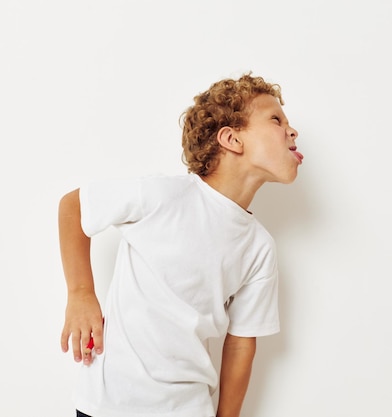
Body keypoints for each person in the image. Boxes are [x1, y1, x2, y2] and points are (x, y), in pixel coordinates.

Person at [58, 73, 303, 417]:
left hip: (187, 408)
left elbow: (241, 342)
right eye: (276, 120)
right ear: (231, 138)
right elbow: (74, 206)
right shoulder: (164, 196)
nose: (292, 131)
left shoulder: (259, 247)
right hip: (108, 403)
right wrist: (81, 293)